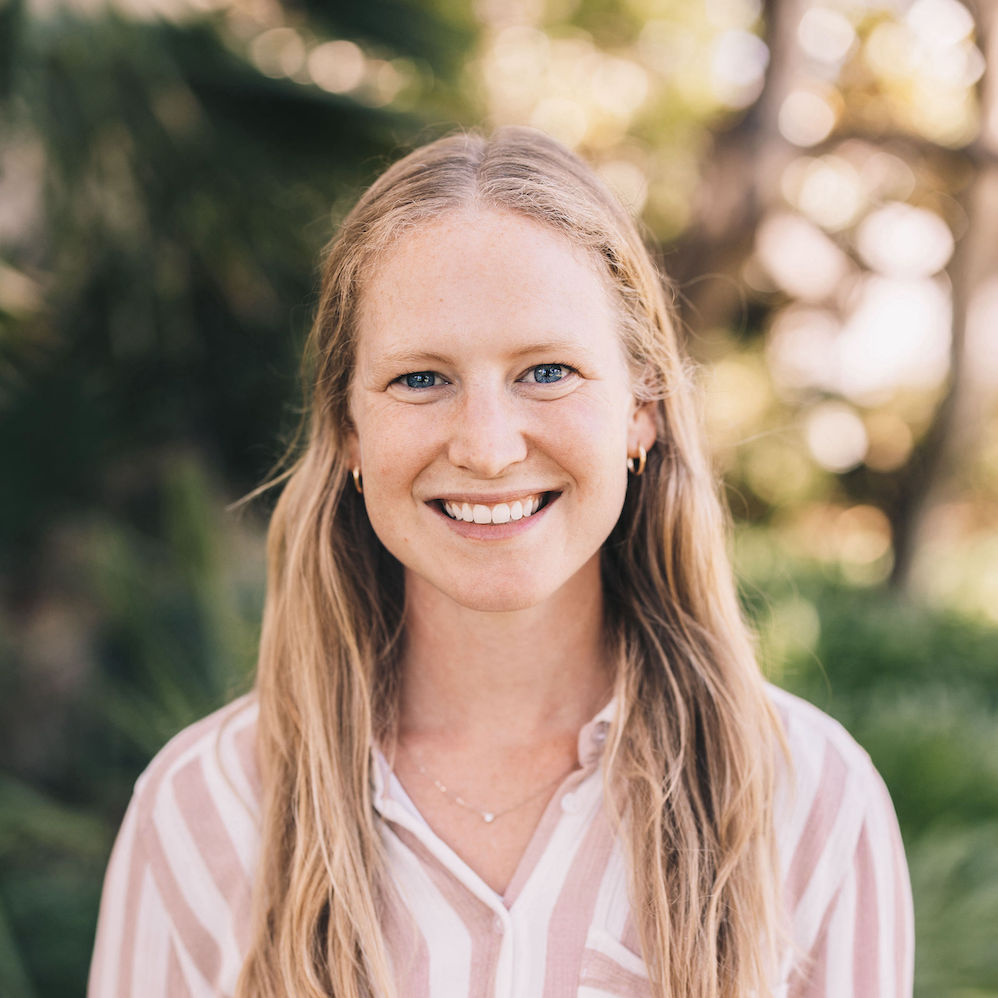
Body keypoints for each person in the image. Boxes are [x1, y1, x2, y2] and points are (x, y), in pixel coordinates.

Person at [88, 127, 913, 998]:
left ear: (643, 410)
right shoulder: (206, 808)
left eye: (548, 371)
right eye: (420, 380)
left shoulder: (810, 801)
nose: (486, 447)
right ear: (348, 431)